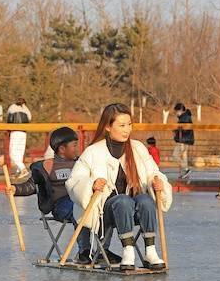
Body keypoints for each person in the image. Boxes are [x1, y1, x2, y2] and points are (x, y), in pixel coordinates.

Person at [66, 103, 172, 271]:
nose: (126, 130)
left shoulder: (137, 148)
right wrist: (91, 185)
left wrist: (156, 181)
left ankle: (150, 251)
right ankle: (128, 251)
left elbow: (153, 171)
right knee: (123, 201)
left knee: (145, 199)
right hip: (104, 212)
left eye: (129, 125)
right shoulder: (93, 151)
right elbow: (74, 181)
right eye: (121, 125)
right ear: (108, 126)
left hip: (133, 211)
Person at [6, 127, 92, 264]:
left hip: (82, 201)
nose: (77, 148)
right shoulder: (47, 166)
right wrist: (15, 189)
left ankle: (101, 250)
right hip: (61, 206)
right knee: (79, 208)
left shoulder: (81, 163)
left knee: (99, 208)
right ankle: (85, 251)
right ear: (62, 149)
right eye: (74, 145)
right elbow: (32, 186)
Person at [7, 98, 32, 179]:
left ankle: (23, 169)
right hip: (23, 133)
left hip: (15, 132)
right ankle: (18, 173)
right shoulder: (26, 109)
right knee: (20, 154)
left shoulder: (12, 107)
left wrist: (8, 131)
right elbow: (29, 119)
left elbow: (9, 120)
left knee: (12, 154)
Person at [172, 103, 194, 179]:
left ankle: (186, 169)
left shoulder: (184, 118)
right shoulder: (186, 117)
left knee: (175, 155)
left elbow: (184, 129)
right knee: (184, 157)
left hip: (183, 140)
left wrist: (176, 130)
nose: (176, 114)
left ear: (181, 110)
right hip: (186, 139)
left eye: (176, 112)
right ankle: (185, 173)